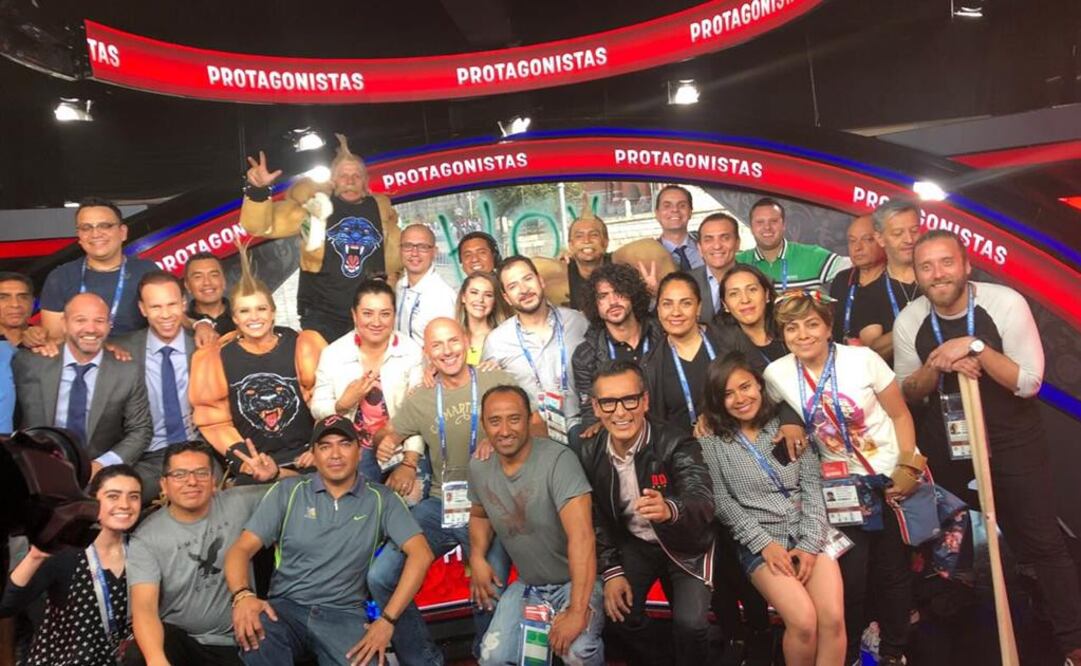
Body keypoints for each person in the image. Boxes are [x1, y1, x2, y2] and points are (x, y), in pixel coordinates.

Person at [894, 229, 1081, 664]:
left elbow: (1028, 383)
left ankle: (1073, 641)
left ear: (966, 265)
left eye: (946, 262)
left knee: (1040, 541)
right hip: (948, 443)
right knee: (941, 543)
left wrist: (974, 347)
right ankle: (945, 632)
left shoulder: (1004, 303)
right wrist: (937, 362)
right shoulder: (910, 320)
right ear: (916, 274)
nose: (938, 274)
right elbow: (909, 390)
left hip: (1013, 440)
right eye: (926, 267)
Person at [763, 291, 919, 666]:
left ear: (828, 327)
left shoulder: (862, 360)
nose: (803, 335)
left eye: (812, 324)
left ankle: (894, 650)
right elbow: (779, 411)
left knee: (892, 570)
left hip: (886, 475)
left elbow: (900, 414)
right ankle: (849, 653)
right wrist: (789, 422)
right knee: (852, 573)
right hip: (838, 486)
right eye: (792, 328)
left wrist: (908, 467)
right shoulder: (777, 374)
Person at [224, 415, 433, 666]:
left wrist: (387, 620)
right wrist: (242, 596)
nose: (335, 454)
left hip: (344, 615)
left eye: (344, 444)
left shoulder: (382, 499)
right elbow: (241, 549)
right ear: (313, 454)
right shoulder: (288, 491)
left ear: (359, 451)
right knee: (256, 635)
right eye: (325, 446)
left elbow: (421, 554)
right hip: (286, 609)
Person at [369, 318, 520, 663]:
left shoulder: (496, 381)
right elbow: (387, 432)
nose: (447, 351)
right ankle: (423, 659)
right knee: (381, 576)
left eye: (453, 341)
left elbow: (536, 427)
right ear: (427, 353)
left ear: (466, 341)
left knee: (490, 587)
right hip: (440, 505)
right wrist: (385, 441)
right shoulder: (422, 398)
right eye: (437, 345)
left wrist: (498, 440)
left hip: (490, 505)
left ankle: (486, 656)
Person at [701, 354, 846, 666]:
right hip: (759, 540)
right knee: (804, 621)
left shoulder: (787, 427)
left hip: (808, 529)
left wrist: (809, 544)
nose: (740, 399)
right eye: (728, 394)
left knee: (832, 619)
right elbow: (723, 503)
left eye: (745, 387)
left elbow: (812, 486)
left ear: (759, 385)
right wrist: (764, 544)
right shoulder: (711, 441)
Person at [579, 361, 715, 666]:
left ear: (645, 401)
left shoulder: (676, 441)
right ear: (596, 407)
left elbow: (702, 498)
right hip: (636, 543)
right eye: (609, 403)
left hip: (685, 544)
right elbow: (596, 516)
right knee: (619, 614)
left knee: (691, 624)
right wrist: (612, 570)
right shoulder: (588, 449)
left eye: (629, 400)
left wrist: (670, 509)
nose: (620, 412)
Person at [468, 385, 604, 666]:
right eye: (495, 421)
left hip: (578, 582)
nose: (505, 430)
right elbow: (480, 514)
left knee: (577, 652)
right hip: (530, 585)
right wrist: (477, 556)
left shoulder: (559, 460)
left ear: (530, 419)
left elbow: (582, 537)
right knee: (492, 658)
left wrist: (577, 610)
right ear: (483, 424)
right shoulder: (480, 466)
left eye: (514, 419)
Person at [239, 135, 402, 342]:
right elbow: (261, 226)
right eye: (343, 175)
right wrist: (258, 190)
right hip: (323, 317)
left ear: (365, 181)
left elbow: (397, 259)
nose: (350, 181)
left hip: (370, 317)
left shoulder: (380, 210)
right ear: (332, 180)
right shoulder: (315, 207)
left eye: (357, 175)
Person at [128, 441, 276, 666]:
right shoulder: (147, 537)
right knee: (140, 654)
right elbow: (144, 608)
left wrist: (276, 474)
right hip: (186, 642)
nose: (191, 481)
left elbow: (303, 488)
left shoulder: (239, 502)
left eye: (201, 473)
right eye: (179, 474)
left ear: (214, 481)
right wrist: (156, 659)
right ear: (164, 484)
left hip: (243, 636)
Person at [190, 246, 326, 483]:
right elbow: (214, 420)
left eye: (261, 309)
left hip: (309, 458)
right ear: (235, 318)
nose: (254, 317)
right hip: (255, 467)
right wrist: (247, 460)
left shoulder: (302, 345)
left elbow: (329, 403)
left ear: (273, 312)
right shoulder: (216, 358)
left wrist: (321, 446)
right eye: (245, 311)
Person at [0, 465, 142, 666]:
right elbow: (6, 606)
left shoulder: (143, 550)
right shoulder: (66, 549)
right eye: (113, 496)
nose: (125, 504)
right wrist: (35, 557)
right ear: (93, 501)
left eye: (134, 496)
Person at [13, 293, 152, 476]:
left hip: (99, 475)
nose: (91, 329)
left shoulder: (127, 371)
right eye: (80, 320)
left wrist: (101, 465)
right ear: (64, 324)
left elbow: (140, 430)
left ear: (109, 325)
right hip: (36, 471)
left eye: (99, 321)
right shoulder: (29, 363)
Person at [310, 278, 424, 491]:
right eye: (367, 313)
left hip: (399, 444)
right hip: (354, 448)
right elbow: (317, 407)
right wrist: (342, 405)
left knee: (410, 497)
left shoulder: (411, 352)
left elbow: (418, 412)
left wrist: (409, 461)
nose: (376, 322)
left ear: (394, 316)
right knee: (358, 499)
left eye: (385, 314)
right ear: (354, 315)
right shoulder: (334, 354)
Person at [483, 256, 588, 448]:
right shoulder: (496, 342)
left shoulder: (578, 322)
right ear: (506, 297)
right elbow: (492, 399)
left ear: (540, 281)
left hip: (582, 430)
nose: (524, 290)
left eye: (527, 279)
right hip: (531, 438)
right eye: (513, 286)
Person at [111, 271, 200, 501]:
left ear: (183, 303)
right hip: (147, 455)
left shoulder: (202, 345)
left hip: (198, 449)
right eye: (156, 307)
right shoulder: (121, 349)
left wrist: (204, 325)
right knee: (119, 497)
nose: (166, 314)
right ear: (143, 309)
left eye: (172, 304)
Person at [39, 198, 159, 338]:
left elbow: (167, 324)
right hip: (81, 351)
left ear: (122, 232)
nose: (95, 234)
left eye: (105, 226)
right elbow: (55, 339)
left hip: (136, 351)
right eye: (86, 228)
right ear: (79, 236)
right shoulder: (61, 277)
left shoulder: (148, 272)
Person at [572, 263, 663, 430]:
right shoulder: (585, 355)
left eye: (619, 293)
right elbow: (590, 413)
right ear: (595, 304)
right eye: (603, 296)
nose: (612, 302)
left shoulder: (662, 333)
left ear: (632, 295)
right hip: (622, 434)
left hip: (671, 429)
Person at [855, 199, 923, 361]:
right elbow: (874, 351)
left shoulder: (939, 280)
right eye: (898, 233)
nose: (909, 239)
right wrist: (918, 321)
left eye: (914, 231)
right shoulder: (869, 294)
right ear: (880, 238)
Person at [736, 197, 848, 293]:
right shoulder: (738, 262)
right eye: (760, 222)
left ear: (784, 225)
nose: (767, 227)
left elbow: (856, 268)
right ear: (752, 228)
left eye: (773, 221)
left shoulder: (812, 255)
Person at [395, 223, 458, 346]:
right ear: (400, 250)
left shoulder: (443, 297)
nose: (414, 253)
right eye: (408, 246)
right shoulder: (398, 287)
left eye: (422, 247)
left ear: (435, 252)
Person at [828, 215, 886, 345]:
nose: (857, 247)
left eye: (867, 239)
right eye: (852, 241)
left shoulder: (895, 281)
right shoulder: (842, 280)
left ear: (883, 240)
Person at [719, 264, 788, 363]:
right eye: (734, 294)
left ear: (766, 295)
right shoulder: (722, 348)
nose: (745, 300)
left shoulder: (790, 332)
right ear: (725, 304)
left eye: (752, 290)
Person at [690, 213, 741, 323]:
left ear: (737, 243)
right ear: (699, 247)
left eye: (725, 238)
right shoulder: (685, 282)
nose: (717, 246)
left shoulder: (757, 281)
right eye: (708, 240)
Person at [565, 206, 613, 311]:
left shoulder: (620, 268)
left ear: (605, 242)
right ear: (571, 245)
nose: (586, 240)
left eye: (594, 235)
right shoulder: (563, 273)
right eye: (579, 236)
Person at [457, 271, 507, 366]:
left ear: (494, 302)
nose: (480, 300)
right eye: (474, 293)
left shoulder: (503, 338)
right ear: (463, 297)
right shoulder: (452, 336)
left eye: (488, 295)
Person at [184, 252, 235, 336]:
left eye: (214, 275)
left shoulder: (242, 315)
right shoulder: (182, 324)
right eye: (198, 277)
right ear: (187, 286)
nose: (207, 282)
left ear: (224, 281)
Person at [654, 185, 703, 271]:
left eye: (682, 205)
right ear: (657, 214)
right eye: (667, 206)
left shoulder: (709, 247)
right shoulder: (650, 255)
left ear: (690, 212)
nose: (675, 210)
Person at [0, 271, 47, 348]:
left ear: (32, 302)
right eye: (3, 298)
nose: (15, 304)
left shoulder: (47, 342)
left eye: (23, 297)